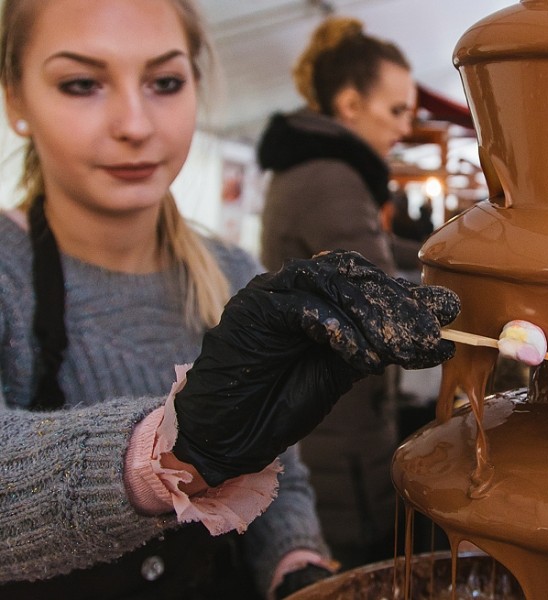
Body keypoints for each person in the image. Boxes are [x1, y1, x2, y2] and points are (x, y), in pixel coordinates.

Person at [0, 2, 459, 599]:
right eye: (81, 84)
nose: (134, 124)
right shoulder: (10, 273)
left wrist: (296, 562)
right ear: (15, 99)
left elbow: (280, 473)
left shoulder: (231, 274)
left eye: (165, 83)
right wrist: (169, 451)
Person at [257, 17, 417, 569]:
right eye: (396, 110)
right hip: (338, 428)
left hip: (325, 416)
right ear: (350, 104)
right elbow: (380, 299)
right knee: (354, 566)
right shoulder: (332, 177)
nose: (405, 126)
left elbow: (378, 251)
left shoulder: (313, 168)